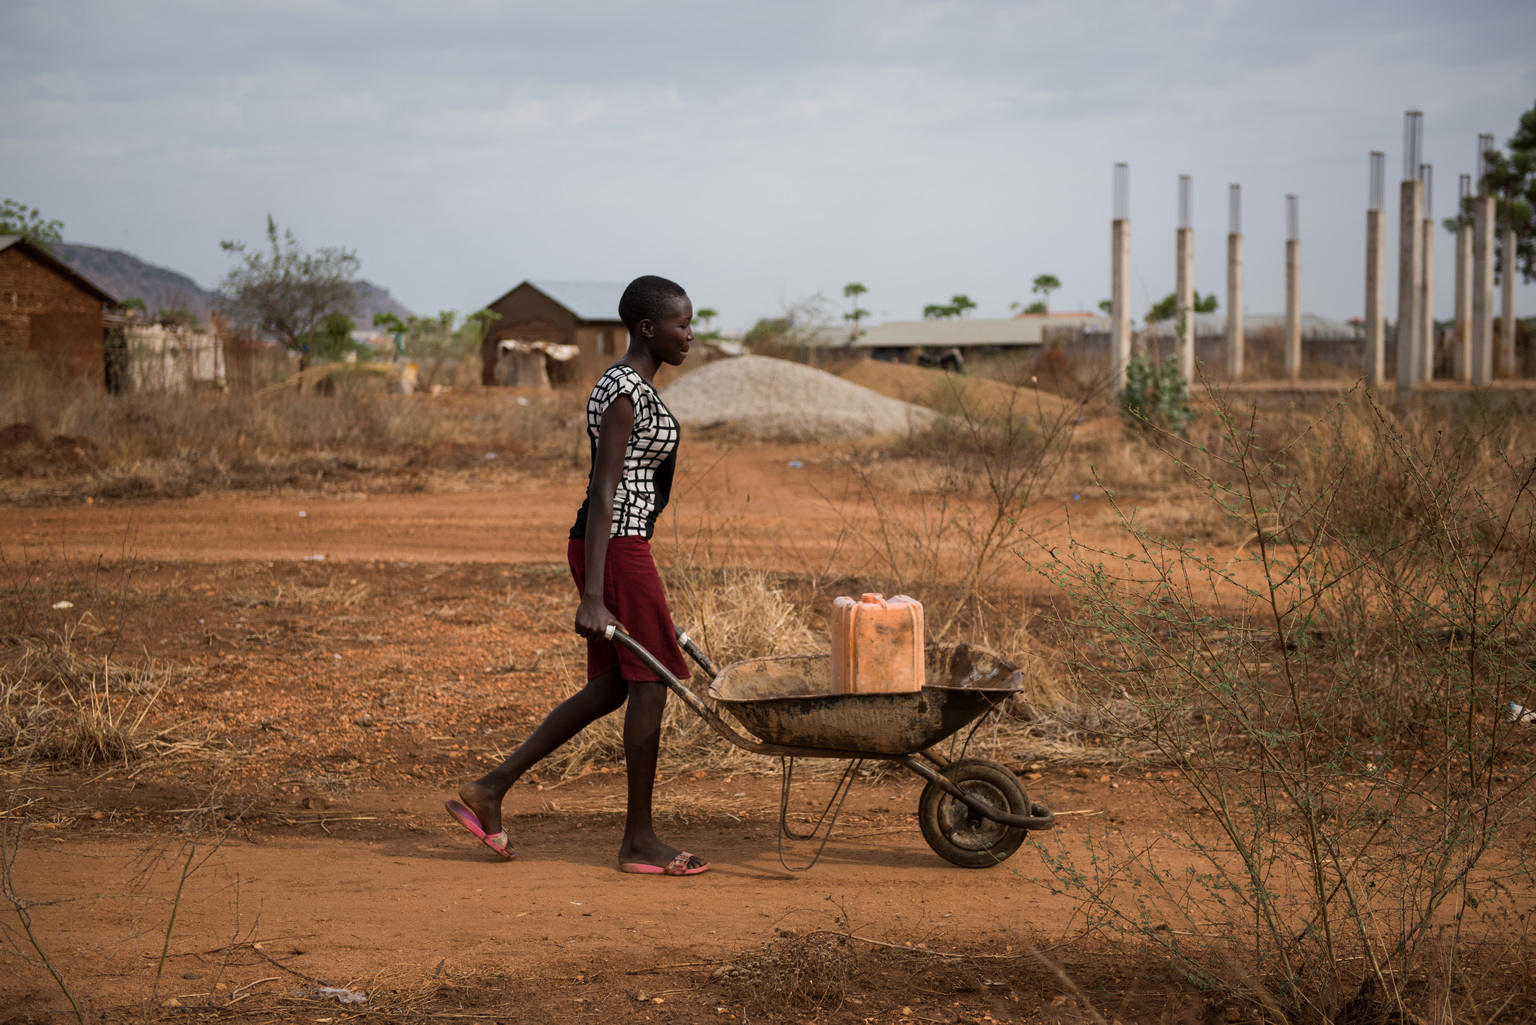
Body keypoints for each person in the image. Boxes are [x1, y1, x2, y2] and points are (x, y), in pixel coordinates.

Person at [446, 275, 707, 876]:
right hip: (613, 547)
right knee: (651, 682)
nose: (689, 334)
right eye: (681, 324)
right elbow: (604, 487)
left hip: (617, 545)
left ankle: (491, 787)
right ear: (648, 328)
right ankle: (638, 842)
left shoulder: (636, 386)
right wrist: (593, 593)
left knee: (615, 686)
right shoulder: (622, 390)